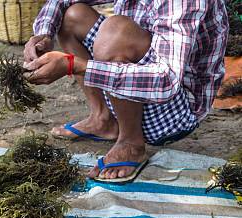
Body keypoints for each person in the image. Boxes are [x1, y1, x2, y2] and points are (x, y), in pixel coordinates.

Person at [23, 0, 228, 183]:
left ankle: (131, 142)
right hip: (136, 83)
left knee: (116, 30)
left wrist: (74, 66)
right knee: (72, 16)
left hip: (175, 110)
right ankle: (103, 119)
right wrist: (43, 33)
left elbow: (167, 82)